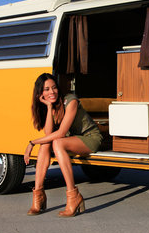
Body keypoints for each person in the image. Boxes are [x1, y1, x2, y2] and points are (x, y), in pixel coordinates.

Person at [24, 73, 103, 217]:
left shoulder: (70, 101)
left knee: (57, 142)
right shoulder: (51, 106)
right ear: (40, 93)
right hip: (72, 139)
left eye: (54, 88)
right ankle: (38, 194)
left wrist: (32, 143)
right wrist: (48, 107)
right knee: (46, 144)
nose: (51, 92)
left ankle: (73, 196)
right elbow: (48, 135)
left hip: (90, 138)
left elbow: (60, 133)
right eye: (46, 89)